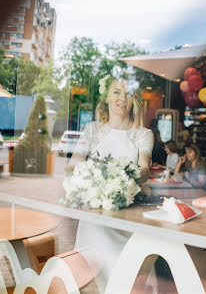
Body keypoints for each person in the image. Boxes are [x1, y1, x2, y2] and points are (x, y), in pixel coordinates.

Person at [68, 74, 153, 280]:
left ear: (135, 101)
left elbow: (144, 169)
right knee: (92, 273)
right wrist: (85, 182)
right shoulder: (91, 130)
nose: (122, 98)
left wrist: (120, 176)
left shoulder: (143, 134)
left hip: (127, 213)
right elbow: (73, 164)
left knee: (124, 274)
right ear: (106, 97)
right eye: (116, 92)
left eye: (128, 94)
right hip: (94, 213)